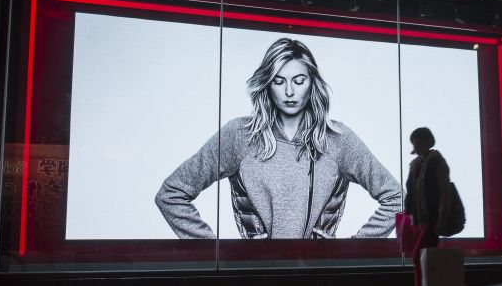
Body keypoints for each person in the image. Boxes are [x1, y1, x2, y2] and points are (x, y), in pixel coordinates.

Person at [155, 37, 402, 239]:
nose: (290, 92)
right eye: (279, 81)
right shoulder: (239, 135)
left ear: (312, 84)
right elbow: (171, 194)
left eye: (299, 80)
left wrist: (353, 251)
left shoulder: (338, 139)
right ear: (267, 85)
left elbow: (397, 198)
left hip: (321, 280)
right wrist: (215, 252)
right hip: (256, 279)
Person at [402, 127, 464, 286]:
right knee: (430, 261)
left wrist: (441, 219)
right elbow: (413, 193)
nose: (416, 146)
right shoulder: (416, 164)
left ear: (426, 142)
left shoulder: (437, 162)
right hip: (421, 221)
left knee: (419, 259)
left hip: (431, 221)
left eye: (418, 142)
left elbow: (444, 193)